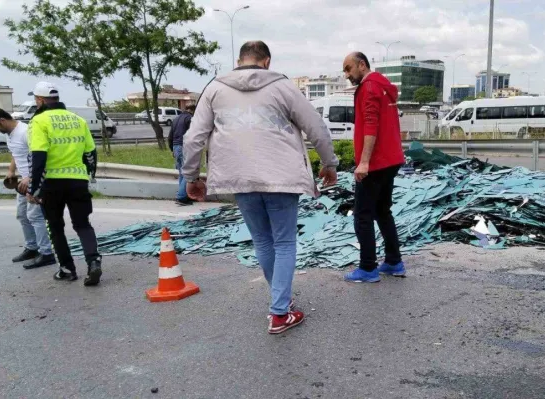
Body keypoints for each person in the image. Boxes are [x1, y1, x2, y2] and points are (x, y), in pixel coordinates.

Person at [182, 41, 339, 334]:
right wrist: (329, 163)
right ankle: (280, 311)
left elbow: (193, 138)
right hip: (281, 175)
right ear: (266, 62)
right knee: (284, 242)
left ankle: (282, 303)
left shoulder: (214, 89)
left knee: (263, 242)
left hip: (239, 177)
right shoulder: (283, 87)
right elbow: (316, 127)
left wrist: (191, 178)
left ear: (240, 60)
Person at [25, 81, 102, 286]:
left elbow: (38, 156)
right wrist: (90, 175)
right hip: (78, 181)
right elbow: (91, 153)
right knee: (83, 224)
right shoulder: (78, 120)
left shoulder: (39, 121)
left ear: (40, 100)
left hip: (52, 183)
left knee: (55, 227)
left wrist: (34, 188)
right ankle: (93, 261)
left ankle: (67, 269)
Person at [342, 52, 406, 283]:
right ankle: (393, 262)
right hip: (392, 160)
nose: (347, 75)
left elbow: (371, 125)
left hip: (376, 163)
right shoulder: (384, 86)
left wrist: (364, 162)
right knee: (382, 211)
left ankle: (368, 268)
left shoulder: (368, 87)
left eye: (349, 69)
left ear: (362, 64)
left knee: (362, 216)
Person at [0, 107, 56, 269]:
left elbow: (40, 156)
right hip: (22, 182)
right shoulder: (9, 135)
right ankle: (32, 248)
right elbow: (16, 154)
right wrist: (11, 171)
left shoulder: (25, 132)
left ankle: (46, 253)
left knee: (35, 216)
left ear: (2, 120)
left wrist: (31, 177)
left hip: (35, 180)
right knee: (22, 215)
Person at [168, 104, 196, 206]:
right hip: (185, 146)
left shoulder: (176, 119)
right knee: (188, 172)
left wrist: (172, 149)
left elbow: (170, 136)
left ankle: (183, 195)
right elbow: (193, 135)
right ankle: (181, 197)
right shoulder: (190, 119)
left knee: (181, 172)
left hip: (176, 146)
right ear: (193, 110)